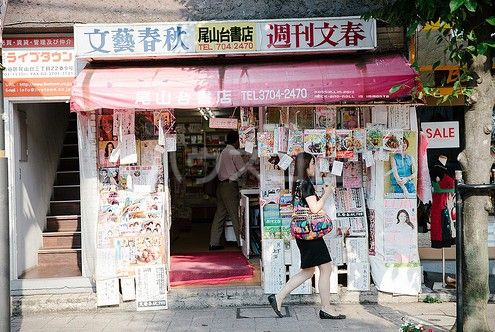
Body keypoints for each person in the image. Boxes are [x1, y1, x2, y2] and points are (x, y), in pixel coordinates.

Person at [268, 152, 346, 320]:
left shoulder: (297, 183)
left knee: (308, 271)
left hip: (302, 233)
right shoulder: (306, 184)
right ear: (307, 165)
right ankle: (326, 308)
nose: (314, 167)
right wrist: (327, 193)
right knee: (325, 268)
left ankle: (278, 296)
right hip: (310, 234)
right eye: (313, 163)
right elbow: (315, 208)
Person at [209, 131, 247, 250]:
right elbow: (242, 169)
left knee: (219, 215)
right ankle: (241, 243)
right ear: (236, 141)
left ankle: (213, 243)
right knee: (235, 215)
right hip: (230, 187)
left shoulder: (222, 152)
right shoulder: (233, 152)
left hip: (221, 186)